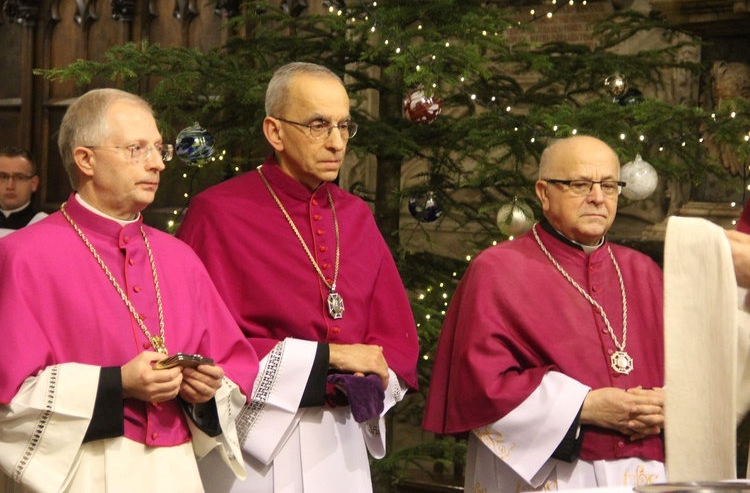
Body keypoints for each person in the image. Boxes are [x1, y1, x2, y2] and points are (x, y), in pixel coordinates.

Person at [177, 62, 420, 492]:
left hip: (342, 443)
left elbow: (393, 342)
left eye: (345, 126)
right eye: (319, 125)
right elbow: (198, 344)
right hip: (255, 446)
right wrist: (335, 358)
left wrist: (373, 372)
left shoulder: (356, 216)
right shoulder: (218, 212)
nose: (337, 143)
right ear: (274, 132)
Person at [0, 88, 259, 492]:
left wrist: (204, 390)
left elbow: (235, 370)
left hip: (176, 473)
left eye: (159, 149)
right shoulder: (21, 256)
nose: (157, 163)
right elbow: (9, 403)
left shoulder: (180, 257)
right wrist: (116, 384)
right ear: (86, 159)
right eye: (137, 149)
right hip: (78, 471)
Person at [423, 135, 666, 491]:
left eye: (610, 186)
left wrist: (667, 402)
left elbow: (689, 371)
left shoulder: (644, 272)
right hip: (549, 472)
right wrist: (583, 406)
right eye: (580, 184)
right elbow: (480, 386)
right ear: (543, 192)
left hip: (641, 471)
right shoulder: (497, 269)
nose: (598, 197)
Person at [0, 146, 47, 237]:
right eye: (3, 176)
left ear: (33, 183)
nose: (10, 186)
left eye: (19, 177)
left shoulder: (45, 224)